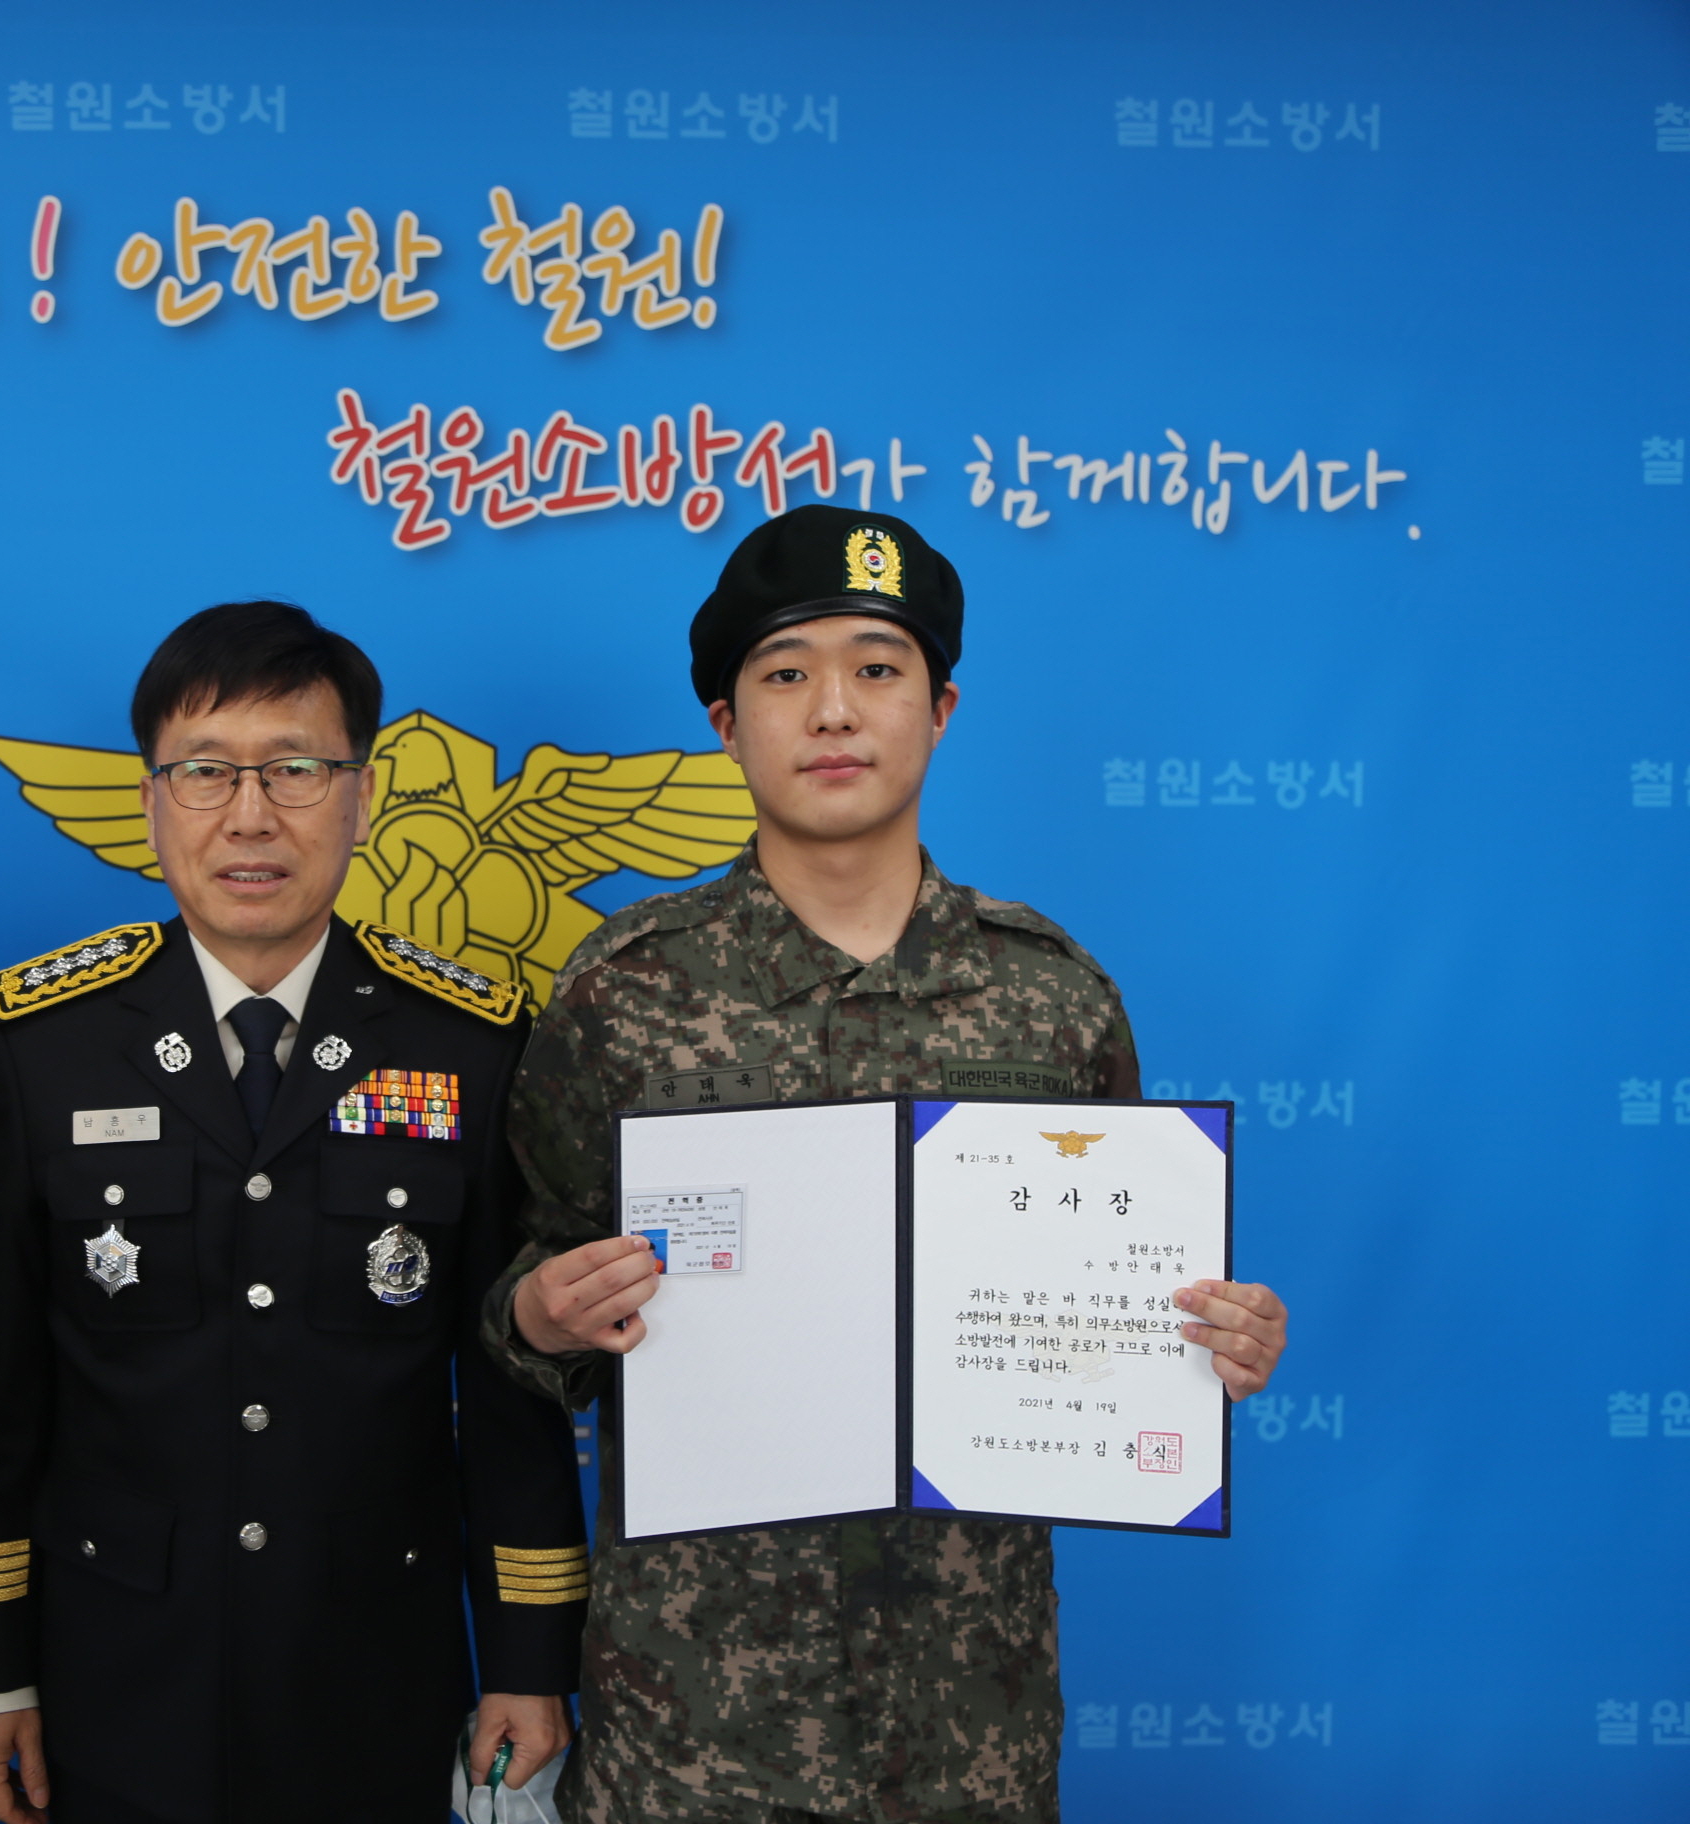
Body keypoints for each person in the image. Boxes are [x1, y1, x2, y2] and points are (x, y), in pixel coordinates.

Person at [484, 504, 1293, 1824]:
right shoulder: (620, 994)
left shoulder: (1054, 999)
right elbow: (519, 1307)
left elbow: (1121, 1302)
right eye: (784, 675)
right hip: (693, 1726)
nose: (833, 711)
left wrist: (1210, 1343)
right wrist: (537, 1312)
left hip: (969, 1725)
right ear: (724, 722)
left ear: (942, 708)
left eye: (877, 668)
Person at [0, 602, 586, 1824]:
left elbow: (511, 1393)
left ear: (363, 795)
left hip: (373, 1664)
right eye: (204, 772)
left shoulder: (471, 1041)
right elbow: (4, 1391)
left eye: (295, 770)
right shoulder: (43, 1043)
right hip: (113, 1672)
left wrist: (528, 1658)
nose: (249, 816)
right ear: (150, 802)